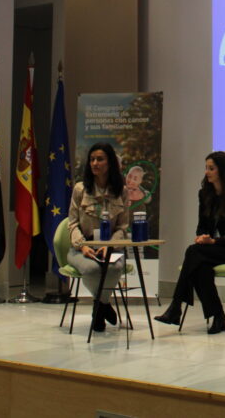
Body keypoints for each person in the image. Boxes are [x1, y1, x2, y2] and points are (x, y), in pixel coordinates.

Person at [154, 151, 225, 334]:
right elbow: (201, 226)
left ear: (222, 170)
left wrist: (214, 241)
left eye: (211, 168)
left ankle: (176, 306)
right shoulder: (204, 194)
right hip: (211, 250)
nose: (207, 172)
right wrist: (201, 237)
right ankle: (218, 316)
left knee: (193, 253)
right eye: (206, 168)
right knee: (201, 268)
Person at [67, 142, 130, 333]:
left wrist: (110, 245)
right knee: (92, 269)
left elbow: (122, 227)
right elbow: (72, 224)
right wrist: (83, 246)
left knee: (115, 268)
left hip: (110, 247)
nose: (95, 163)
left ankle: (99, 306)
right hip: (82, 248)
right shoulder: (80, 189)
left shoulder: (122, 191)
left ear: (110, 163)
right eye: (92, 159)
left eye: (100, 159)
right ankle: (104, 305)